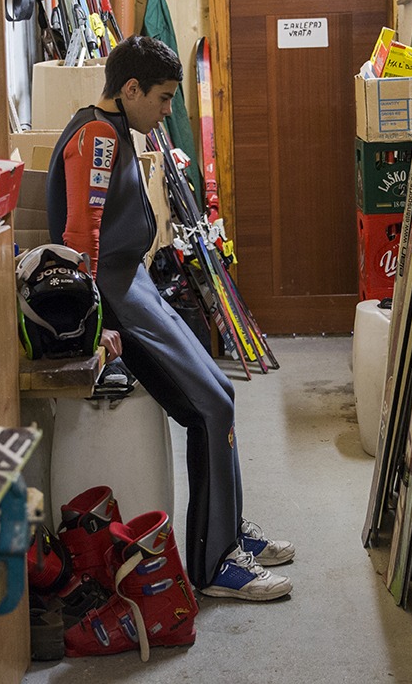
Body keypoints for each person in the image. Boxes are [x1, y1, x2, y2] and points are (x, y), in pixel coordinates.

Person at [45, 35, 294, 601]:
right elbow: (78, 238)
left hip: (137, 287)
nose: (166, 111)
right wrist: (94, 323)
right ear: (129, 89)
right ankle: (214, 565)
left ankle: (228, 531)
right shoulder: (97, 138)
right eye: (160, 99)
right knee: (207, 407)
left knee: (220, 395)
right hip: (116, 300)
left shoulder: (121, 131)